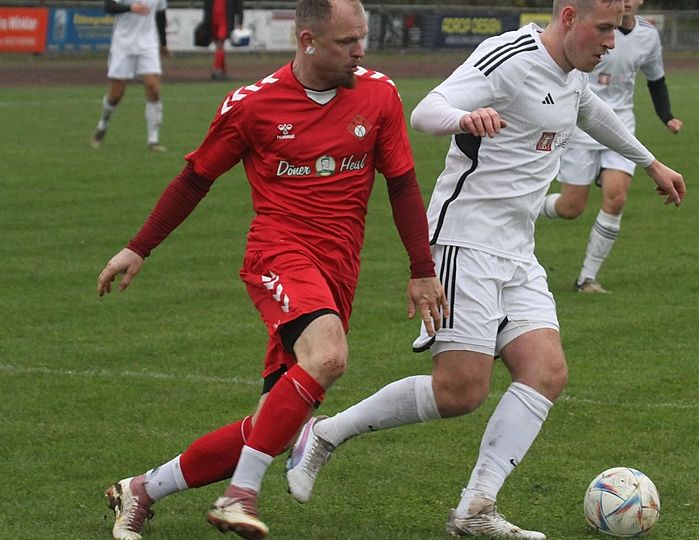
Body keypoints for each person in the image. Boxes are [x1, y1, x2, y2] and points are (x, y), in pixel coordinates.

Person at [283, 0, 685, 537]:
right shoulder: (507, 54)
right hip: (462, 240)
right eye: (604, 28)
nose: (612, 41)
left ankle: (476, 508)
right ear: (569, 17)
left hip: (518, 249)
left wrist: (650, 162)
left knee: (546, 372)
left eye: (616, 30)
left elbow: (591, 111)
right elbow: (426, 111)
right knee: (460, 392)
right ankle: (325, 434)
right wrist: (465, 117)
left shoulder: (571, 74)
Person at [97, 0, 446, 538]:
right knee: (329, 354)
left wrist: (421, 268)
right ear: (306, 41)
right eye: (347, 42)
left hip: (338, 270)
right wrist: (138, 247)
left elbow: (401, 183)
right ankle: (240, 495)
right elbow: (196, 178)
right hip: (277, 253)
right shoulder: (253, 105)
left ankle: (141, 489)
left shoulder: (380, 94)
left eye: (362, 38)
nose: (361, 51)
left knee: (275, 426)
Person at [541, 0, 683, 294]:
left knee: (616, 198)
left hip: (622, 126)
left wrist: (666, 116)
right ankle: (531, 205)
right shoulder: (588, 25)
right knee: (571, 208)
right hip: (581, 127)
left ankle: (587, 278)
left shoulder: (648, 35)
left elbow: (656, 80)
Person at [91, 0, 169, 152]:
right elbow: (108, 6)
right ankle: (103, 124)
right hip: (123, 44)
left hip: (148, 43)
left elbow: (161, 14)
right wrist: (130, 7)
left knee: (153, 87)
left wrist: (163, 43)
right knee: (116, 94)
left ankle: (153, 140)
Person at [201, 0, 244, 80]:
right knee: (219, 46)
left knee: (220, 44)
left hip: (224, 21)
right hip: (213, 21)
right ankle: (223, 71)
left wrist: (240, 22)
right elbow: (207, 7)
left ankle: (216, 69)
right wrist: (205, 23)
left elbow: (239, 6)